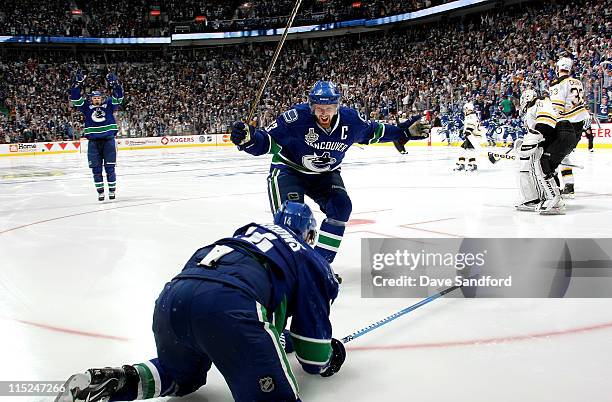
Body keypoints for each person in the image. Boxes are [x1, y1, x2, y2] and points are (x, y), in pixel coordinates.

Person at [55, 201, 344, 402]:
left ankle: (111, 383)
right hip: (229, 305)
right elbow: (313, 357)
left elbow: (264, 325)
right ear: (309, 234)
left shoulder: (248, 233)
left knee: (180, 376)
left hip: (175, 297)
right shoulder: (309, 257)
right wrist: (332, 356)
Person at [230, 80, 430, 263]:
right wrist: (249, 139)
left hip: (325, 174)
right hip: (289, 170)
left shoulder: (351, 121)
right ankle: (290, 268)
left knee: (341, 206)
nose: (323, 114)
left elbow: (374, 132)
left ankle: (320, 263)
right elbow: (266, 142)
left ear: (337, 107)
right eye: (318, 109)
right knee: (291, 218)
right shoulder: (294, 119)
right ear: (311, 107)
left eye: (329, 108)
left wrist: (403, 132)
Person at [515, 89, 574, 214]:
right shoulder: (536, 107)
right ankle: (543, 197)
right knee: (544, 165)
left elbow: (545, 124)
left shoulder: (540, 102)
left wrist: (530, 142)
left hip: (562, 133)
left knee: (543, 164)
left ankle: (555, 201)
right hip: (560, 134)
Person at [71, 71, 124, 201]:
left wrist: (115, 84)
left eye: (98, 98)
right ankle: (100, 192)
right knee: (96, 169)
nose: (96, 99)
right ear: (91, 99)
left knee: (110, 168)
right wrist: (77, 84)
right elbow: (75, 97)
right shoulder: (86, 107)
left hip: (108, 141)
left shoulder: (109, 105)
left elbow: (120, 96)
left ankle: (112, 191)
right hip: (93, 143)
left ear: (101, 98)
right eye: (94, 98)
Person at [549, 57, 591, 198]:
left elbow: (557, 109)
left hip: (567, 124)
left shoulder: (557, 84)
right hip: (580, 122)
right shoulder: (578, 82)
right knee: (564, 154)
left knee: (551, 155)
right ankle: (569, 185)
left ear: (558, 69)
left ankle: (552, 186)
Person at [454, 102, 484, 172]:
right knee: (462, 150)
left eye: (465, 109)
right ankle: (461, 164)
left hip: (474, 137)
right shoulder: (470, 116)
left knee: (470, 151)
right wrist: (463, 131)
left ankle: (473, 165)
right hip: (470, 137)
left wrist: (467, 131)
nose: (464, 111)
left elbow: (471, 126)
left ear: (468, 109)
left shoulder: (471, 116)